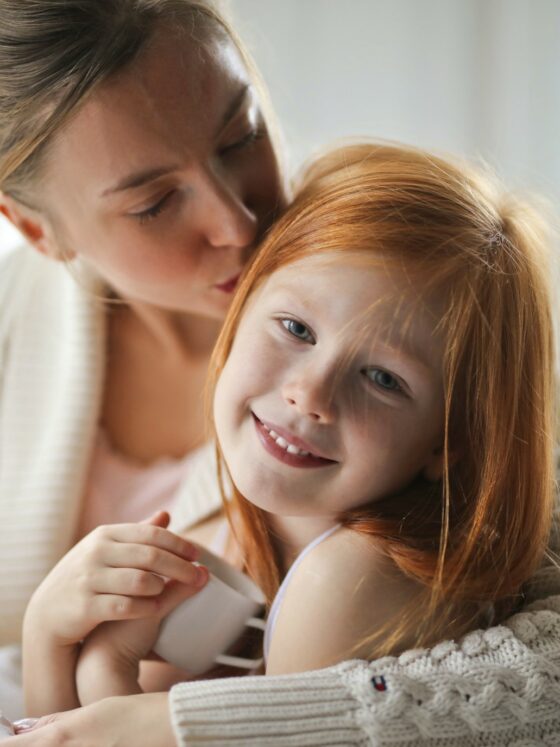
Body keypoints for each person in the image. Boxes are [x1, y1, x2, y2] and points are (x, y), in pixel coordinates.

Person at [1, 0, 560, 744]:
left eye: (241, 135)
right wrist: (68, 650)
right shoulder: (17, 320)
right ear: (38, 229)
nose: (239, 221)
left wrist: (192, 723)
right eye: (155, 201)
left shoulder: (400, 271)